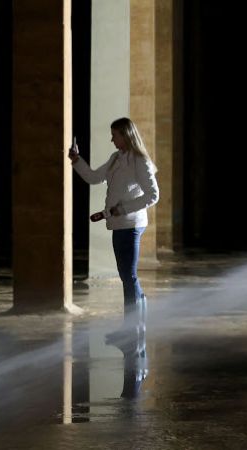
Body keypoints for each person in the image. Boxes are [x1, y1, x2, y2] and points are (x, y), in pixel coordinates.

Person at [68, 117, 160, 345]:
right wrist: (76, 160)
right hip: (119, 224)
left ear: (126, 135)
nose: (111, 139)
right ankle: (137, 321)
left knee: (128, 276)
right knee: (127, 276)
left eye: (115, 135)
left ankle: (131, 328)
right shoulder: (116, 158)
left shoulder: (140, 161)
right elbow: (93, 177)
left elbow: (153, 195)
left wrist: (122, 209)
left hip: (131, 224)